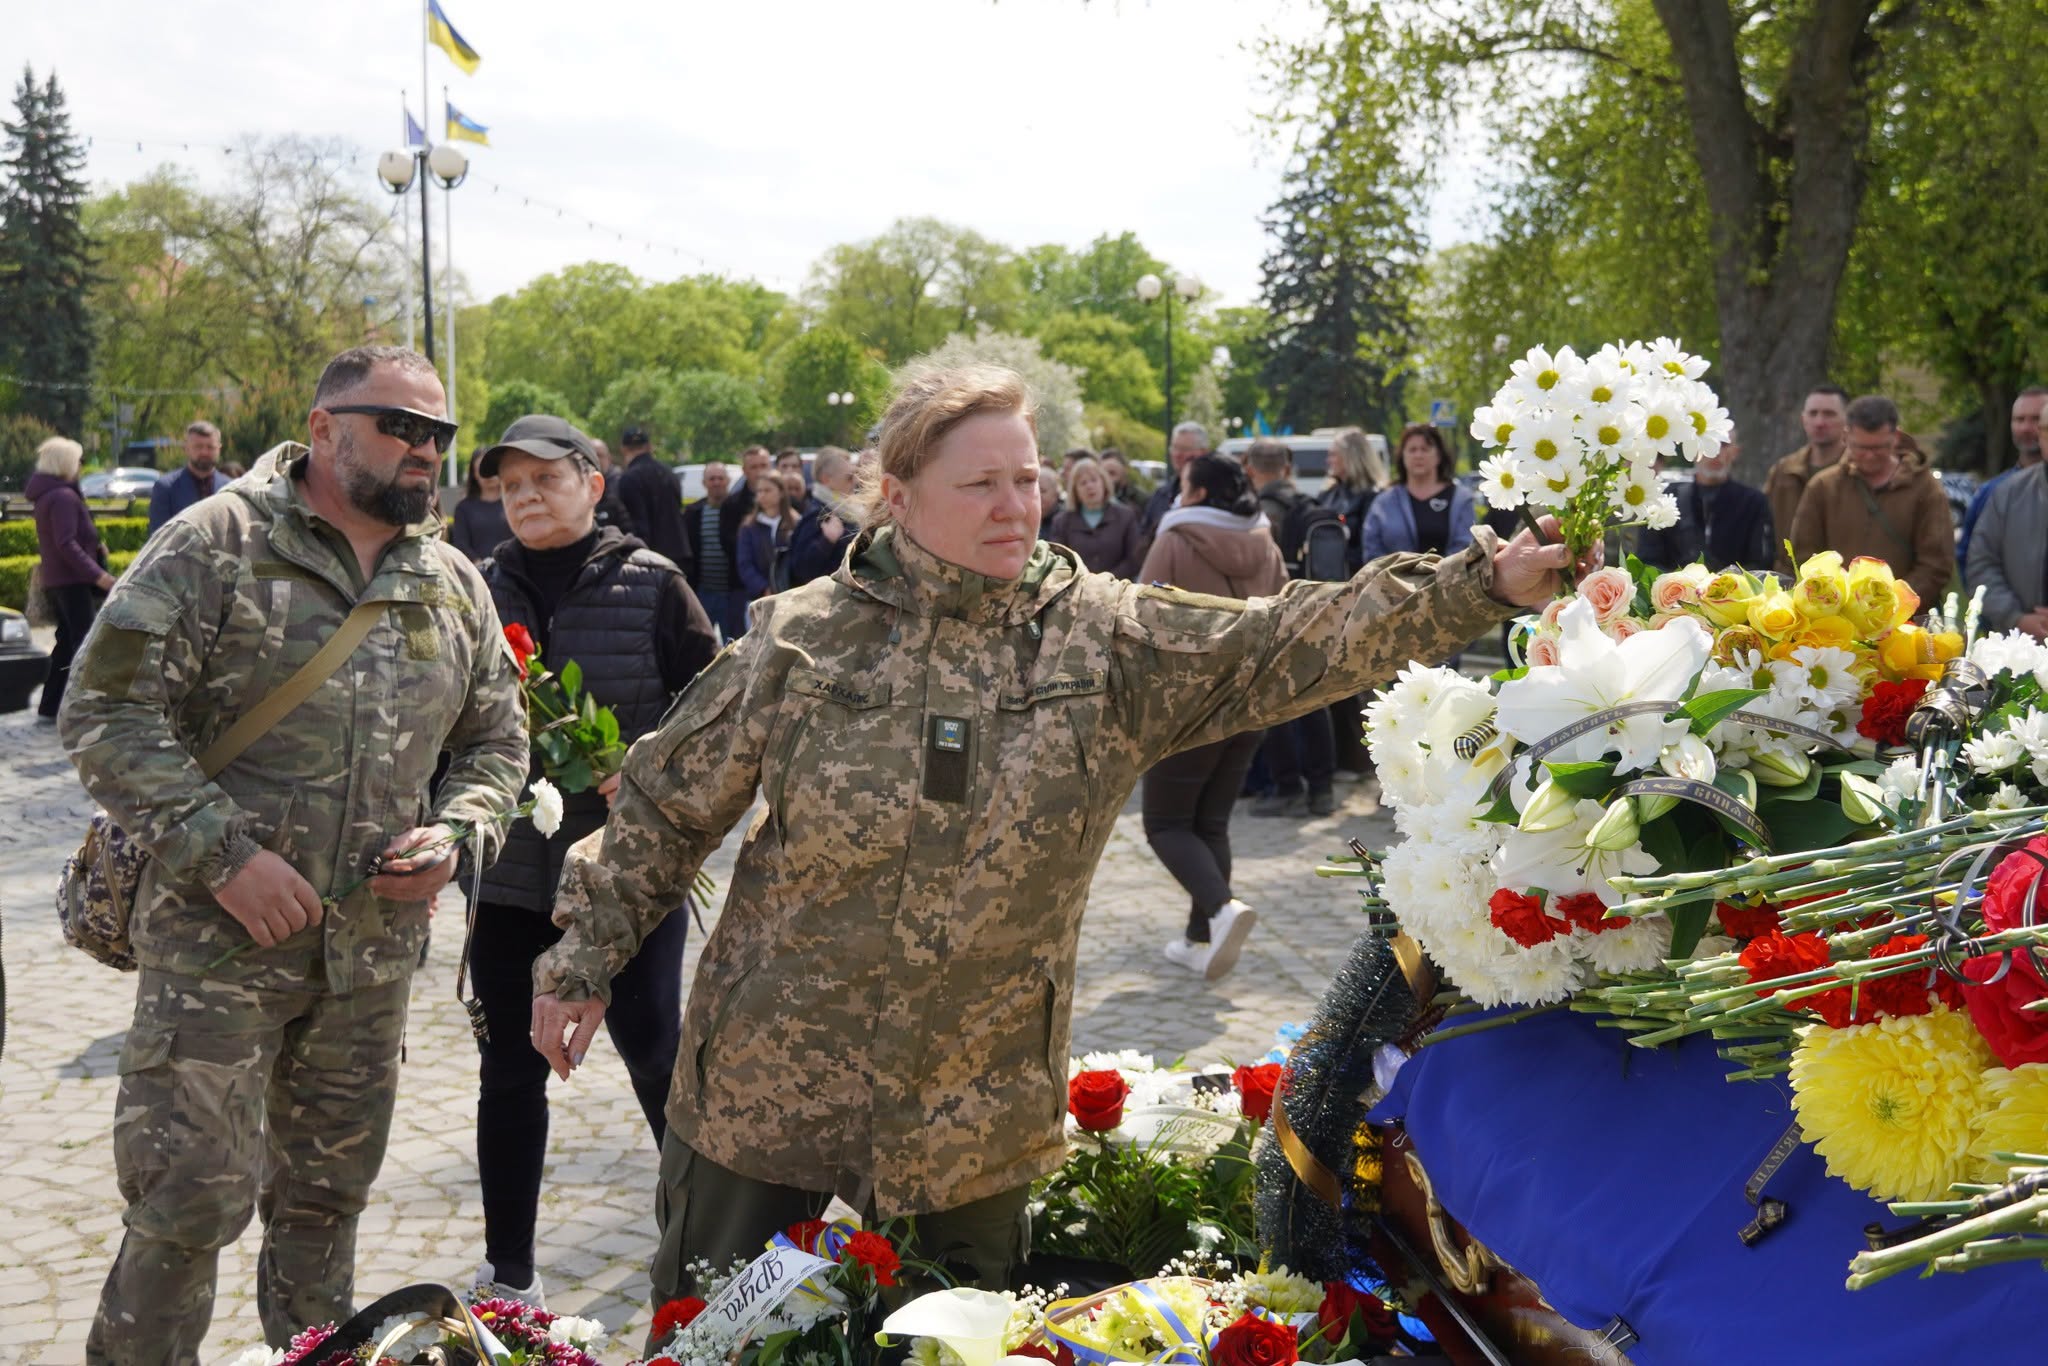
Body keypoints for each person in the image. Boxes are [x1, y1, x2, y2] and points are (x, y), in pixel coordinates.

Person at [527, 364, 1580, 1319]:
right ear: (897, 495)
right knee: (717, 1338)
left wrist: (1478, 587)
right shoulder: (800, 640)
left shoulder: (1103, 638)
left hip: (973, 1109)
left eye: (1025, 478)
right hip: (767, 1090)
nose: (1016, 504)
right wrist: (580, 961)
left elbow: (1283, 641)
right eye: (980, 483)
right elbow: (664, 806)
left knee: (958, 1345)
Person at [60, 344, 528, 1361]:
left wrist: (456, 833)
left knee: (325, 1209)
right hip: (214, 957)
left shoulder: (448, 581)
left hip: (366, 962)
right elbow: (103, 713)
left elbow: (496, 742)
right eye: (399, 426)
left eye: (437, 434)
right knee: (185, 1208)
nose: (424, 451)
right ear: (323, 429)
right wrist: (220, 853)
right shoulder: (216, 543)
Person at [469, 414, 717, 1307]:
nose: (526, 496)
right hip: (506, 876)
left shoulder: (655, 587)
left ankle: (703, 1243)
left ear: (593, 482)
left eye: (546, 478)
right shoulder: (474, 590)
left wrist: (645, 769)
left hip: (629, 875)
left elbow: (721, 716)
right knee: (508, 1070)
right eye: (510, 485)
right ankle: (510, 1274)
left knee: (653, 1046)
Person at [1138, 453, 1287, 977]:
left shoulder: (1176, 537)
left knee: (1164, 823)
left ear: (1197, 492)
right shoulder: (1265, 541)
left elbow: (1142, 620)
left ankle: (1222, 910)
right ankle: (1200, 937)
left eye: (1183, 484)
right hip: (1250, 703)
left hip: (1188, 705)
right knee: (1209, 823)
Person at [1242, 439, 1340, 816]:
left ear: (1251, 469)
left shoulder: (1258, 513)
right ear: (1287, 468)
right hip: (1315, 612)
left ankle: (1287, 788)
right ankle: (1322, 789)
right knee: (1315, 702)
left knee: (1273, 703)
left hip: (1274, 614)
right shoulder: (1311, 507)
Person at [1789, 394, 1954, 609]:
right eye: (1860, 448)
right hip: (1835, 618)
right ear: (1846, 437)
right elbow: (1803, 555)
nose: (1869, 456)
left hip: (1904, 623)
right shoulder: (1823, 487)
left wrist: (1888, 605)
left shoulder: (1925, 488)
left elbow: (1936, 564)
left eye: (1879, 448)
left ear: (1895, 437)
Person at [27, 435, 116, 723]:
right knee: (87, 645)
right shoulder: (63, 496)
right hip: (73, 580)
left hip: (60, 580)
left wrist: (95, 547)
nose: (80, 466)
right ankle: (89, 710)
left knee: (67, 644)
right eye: (78, 460)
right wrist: (99, 575)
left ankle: (50, 706)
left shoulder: (51, 494)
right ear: (65, 463)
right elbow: (66, 543)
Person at [1634, 435, 1774, 572]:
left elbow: (1761, 563)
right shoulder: (1662, 499)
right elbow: (1648, 561)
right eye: (1708, 442)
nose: (1715, 451)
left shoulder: (1753, 502)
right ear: (1692, 448)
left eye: (1723, 444)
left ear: (1735, 452)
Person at [1956, 388, 2047, 570]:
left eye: (2036, 419)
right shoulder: (1991, 493)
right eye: (2019, 420)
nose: (2026, 428)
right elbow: (1970, 558)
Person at [1764, 385, 1850, 577]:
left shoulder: (1856, 474)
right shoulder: (1782, 472)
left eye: (1829, 414)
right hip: (1787, 585)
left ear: (1846, 420)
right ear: (1804, 420)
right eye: (1813, 413)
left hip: (1843, 587)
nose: (1820, 422)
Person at [1361, 424, 1477, 563]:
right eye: (1412, 450)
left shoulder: (1460, 499)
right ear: (1402, 456)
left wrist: (1437, 574)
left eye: (1425, 449)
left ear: (1439, 455)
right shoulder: (1384, 502)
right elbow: (1372, 548)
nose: (1418, 455)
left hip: (1448, 580)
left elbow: (1465, 545)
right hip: (1394, 581)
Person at [1047, 455, 1143, 577]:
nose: (1090, 486)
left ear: (1104, 483)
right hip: (1077, 590)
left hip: (1118, 589)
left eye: (1094, 480)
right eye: (1083, 483)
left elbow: (1134, 559)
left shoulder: (1126, 516)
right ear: (1075, 491)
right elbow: (1059, 561)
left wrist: (1107, 581)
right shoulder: (1062, 522)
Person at [613, 426, 692, 572]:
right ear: (649, 447)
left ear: (623, 449)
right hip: (680, 555)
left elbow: (638, 525)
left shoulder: (629, 478)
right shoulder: (669, 473)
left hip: (652, 560)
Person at [786, 445, 862, 588]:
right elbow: (801, 569)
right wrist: (826, 541)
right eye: (849, 477)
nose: (855, 481)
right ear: (826, 479)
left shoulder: (847, 510)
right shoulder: (819, 513)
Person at [684, 460, 743, 640]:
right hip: (703, 593)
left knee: (734, 646)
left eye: (720, 478)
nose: (716, 482)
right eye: (712, 479)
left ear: (728, 480)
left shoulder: (738, 510)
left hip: (731, 593)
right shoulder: (693, 513)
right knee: (700, 644)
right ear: (704, 483)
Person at [1316, 427, 1383, 575]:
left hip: (1358, 579)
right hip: (1326, 577)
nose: (1328, 461)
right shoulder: (1327, 494)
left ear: (1350, 456)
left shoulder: (1373, 497)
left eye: (1333, 455)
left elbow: (1371, 546)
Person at [146, 419, 224, 534]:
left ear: (219, 449)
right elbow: (159, 537)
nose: (204, 452)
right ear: (186, 449)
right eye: (198, 447)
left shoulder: (230, 487)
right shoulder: (166, 488)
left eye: (210, 447)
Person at [736, 471, 800, 606]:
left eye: (767, 490)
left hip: (792, 596)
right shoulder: (749, 527)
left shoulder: (795, 523)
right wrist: (764, 588)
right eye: (759, 491)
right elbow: (745, 564)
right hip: (760, 599)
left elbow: (801, 559)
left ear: (781, 492)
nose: (762, 495)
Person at [1140, 421, 1210, 537]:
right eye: (1174, 448)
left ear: (1203, 452)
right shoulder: (1161, 495)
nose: (1177, 454)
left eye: (1184, 449)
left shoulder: (1216, 494)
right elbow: (1144, 536)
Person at [449, 451, 512, 562]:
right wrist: (481, 567)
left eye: (491, 469)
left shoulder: (514, 502)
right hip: (477, 573)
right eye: (481, 469)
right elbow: (461, 544)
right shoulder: (463, 508)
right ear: (474, 474)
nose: (488, 474)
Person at [1036, 466, 1063, 541]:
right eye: (1035, 490)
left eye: (1042, 491)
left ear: (1056, 494)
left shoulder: (1065, 521)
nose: (1037, 495)